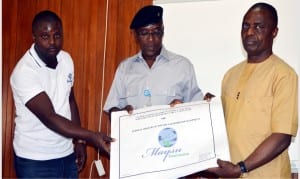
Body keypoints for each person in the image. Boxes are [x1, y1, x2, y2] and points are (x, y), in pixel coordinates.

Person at [10, 10, 114, 178]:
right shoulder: (24, 72)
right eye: (45, 37)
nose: (52, 42)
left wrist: (79, 142)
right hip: (35, 160)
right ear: (34, 37)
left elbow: (70, 100)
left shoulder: (66, 59)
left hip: (65, 154)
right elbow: (49, 117)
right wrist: (90, 136)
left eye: (57, 35)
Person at [201, 3, 298, 178]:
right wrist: (206, 108)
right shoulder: (230, 74)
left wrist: (240, 168)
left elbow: (282, 137)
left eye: (259, 26)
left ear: (274, 32)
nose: (250, 32)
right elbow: (227, 123)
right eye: (246, 26)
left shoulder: (284, 75)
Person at [104, 5, 214, 116]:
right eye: (144, 33)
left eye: (156, 32)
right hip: (135, 133)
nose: (151, 39)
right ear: (136, 36)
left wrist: (209, 104)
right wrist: (122, 114)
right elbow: (112, 110)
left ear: (162, 32)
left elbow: (196, 109)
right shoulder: (125, 69)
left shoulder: (182, 66)